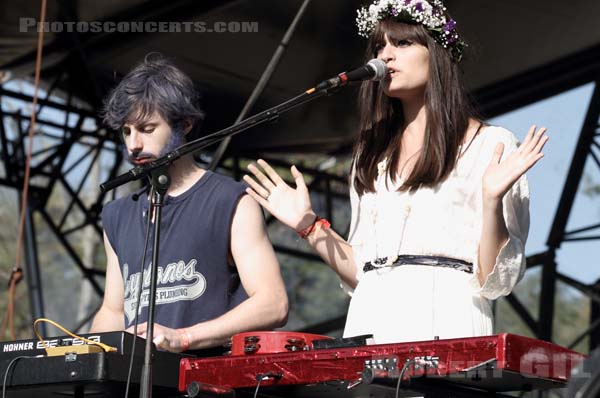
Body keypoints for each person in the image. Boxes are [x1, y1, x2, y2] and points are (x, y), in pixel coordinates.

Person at [244, 0, 548, 345]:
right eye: (379, 46)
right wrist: (309, 227)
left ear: (437, 53)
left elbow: (495, 280)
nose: (385, 55)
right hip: (373, 320)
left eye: (402, 43)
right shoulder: (371, 154)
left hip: (447, 320)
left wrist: (492, 202)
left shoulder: (490, 144)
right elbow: (365, 272)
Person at [90, 54, 288, 352]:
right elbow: (114, 311)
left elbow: (273, 303)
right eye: (126, 131)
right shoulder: (117, 215)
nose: (133, 145)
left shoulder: (231, 201)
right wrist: (82, 358)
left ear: (185, 125)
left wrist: (183, 337)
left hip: (204, 385)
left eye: (146, 129)